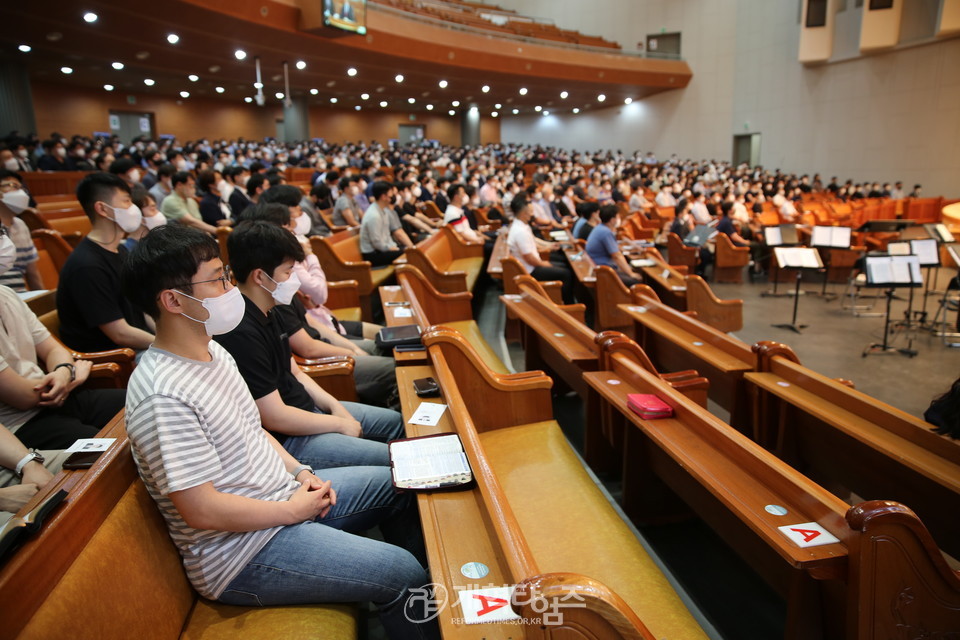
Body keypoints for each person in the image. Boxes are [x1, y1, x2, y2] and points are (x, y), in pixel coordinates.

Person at [119, 225, 436, 639]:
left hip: (281, 500)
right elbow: (201, 509)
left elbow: (254, 430)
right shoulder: (162, 393)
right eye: (217, 280)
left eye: (226, 275)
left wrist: (301, 474)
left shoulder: (212, 349)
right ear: (174, 300)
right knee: (401, 572)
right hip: (241, 554)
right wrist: (291, 511)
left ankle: (428, 600)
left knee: (402, 478)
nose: (230, 289)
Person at [214, 220, 405, 468]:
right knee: (396, 462)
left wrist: (334, 407)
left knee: (397, 423)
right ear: (260, 276)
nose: (293, 279)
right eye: (288, 271)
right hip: (291, 440)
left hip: (308, 411)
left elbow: (294, 371)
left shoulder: (273, 309)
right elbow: (275, 417)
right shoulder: (239, 330)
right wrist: (338, 423)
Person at [0, 256, 126, 449]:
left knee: (141, 404)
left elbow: (53, 349)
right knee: (108, 448)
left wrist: (63, 371)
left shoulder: (6, 294)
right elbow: (23, 398)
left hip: (58, 397)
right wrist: (72, 378)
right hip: (20, 424)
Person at [56, 172, 155, 354]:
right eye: (126, 201)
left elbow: (142, 310)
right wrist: (167, 346)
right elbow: (120, 334)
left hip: (141, 346)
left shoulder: (121, 250)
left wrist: (171, 339)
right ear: (102, 209)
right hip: (117, 356)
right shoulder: (87, 265)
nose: (133, 208)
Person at [507, 195, 574, 304]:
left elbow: (534, 241)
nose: (532, 214)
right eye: (530, 212)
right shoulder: (520, 232)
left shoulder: (522, 225)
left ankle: (566, 299)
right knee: (565, 273)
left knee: (565, 264)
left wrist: (549, 245)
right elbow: (529, 258)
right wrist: (544, 263)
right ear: (523, 213)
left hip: (534, 264)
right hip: (531, 271)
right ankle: (568, 304)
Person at [0, 422, 68, 527]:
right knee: (32, 531)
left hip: (7, 462)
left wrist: (29, 464)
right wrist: (2, 497)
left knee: (96, 458)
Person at [0, 170, 43, 292]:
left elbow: (32, 273)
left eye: (21, 188)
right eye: (12, 185)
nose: (19, 192)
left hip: (20, 298)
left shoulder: (21, 225)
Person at [585, 205, 641, 286]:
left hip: (600, 266)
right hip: (603, 270)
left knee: (632, 269)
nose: (619, 219)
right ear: (612, 220)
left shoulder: (600, 227)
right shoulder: (605, 232)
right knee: (634, 280)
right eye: (618, 217)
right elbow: (616, 256)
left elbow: (615, 249)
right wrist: (631, 273)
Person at [360, 181, 410, 266]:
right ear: (383, 197)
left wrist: (394, 247)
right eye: (391, 196)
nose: (392, 199)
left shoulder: (383, 210)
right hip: (373, 254)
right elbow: (377, 242)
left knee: (410, 251)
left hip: (382, 250)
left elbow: (386, 235)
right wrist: (391, 249)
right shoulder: (374, 215)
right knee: (408, 255)